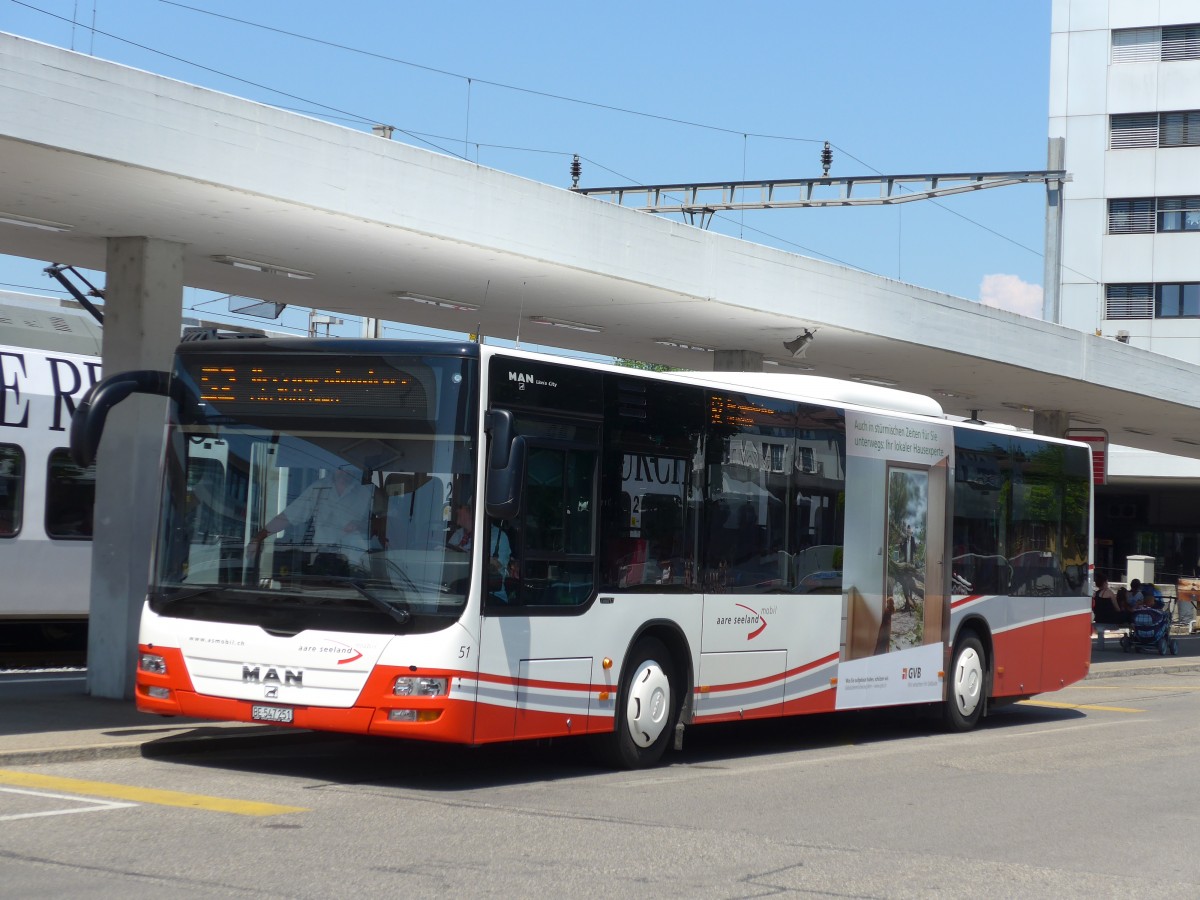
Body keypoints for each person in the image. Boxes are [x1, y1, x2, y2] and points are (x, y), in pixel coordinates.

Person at [250, 464, 376, 571]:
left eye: (348, 468)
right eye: (340, 468)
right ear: (333, 467)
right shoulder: (319, 488)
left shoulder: (366, 491)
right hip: (322, 557)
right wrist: (258, 539)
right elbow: (287, 517)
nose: (344, 472)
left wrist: (362, 525)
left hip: (355, 561)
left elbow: (388, 521)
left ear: (355, 468)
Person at [1092, 574, 1130, 649]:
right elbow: (1117, 608)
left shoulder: (1095, 594)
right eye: (1107, 582)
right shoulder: (1109, 592)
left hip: (1099, 618)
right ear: (1104, 583)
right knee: (1128, 615)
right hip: (1110, 619)